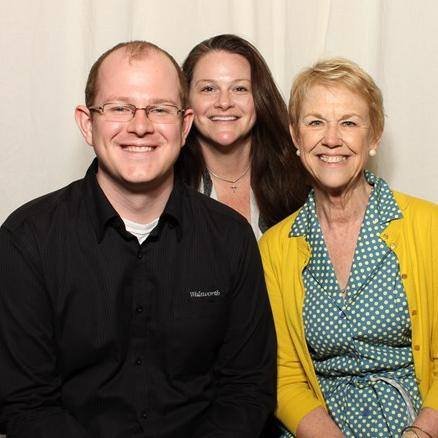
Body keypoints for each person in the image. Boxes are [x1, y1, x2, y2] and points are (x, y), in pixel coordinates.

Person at [0, 41, 276, 438]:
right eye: (118, 108)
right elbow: (25, 403)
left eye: (159, 109)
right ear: (86, 123)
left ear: (184, 126)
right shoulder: (28, 240)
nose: (140, 126)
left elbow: (247, 390)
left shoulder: (230, 237)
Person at [259, 58, 438, 437]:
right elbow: (284, 373)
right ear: (295, 136)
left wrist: (420, 432)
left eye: (349, 123)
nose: (331, 139)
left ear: (373, 137)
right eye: (315, 122)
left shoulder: (429, 226)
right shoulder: (275, 247)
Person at [176, 34, 309, 240]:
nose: (224, 102)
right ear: (187, 100)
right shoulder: (167, 186)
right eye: (208, 88)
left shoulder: (299, 178)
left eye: (239, 88)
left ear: (259, 97)